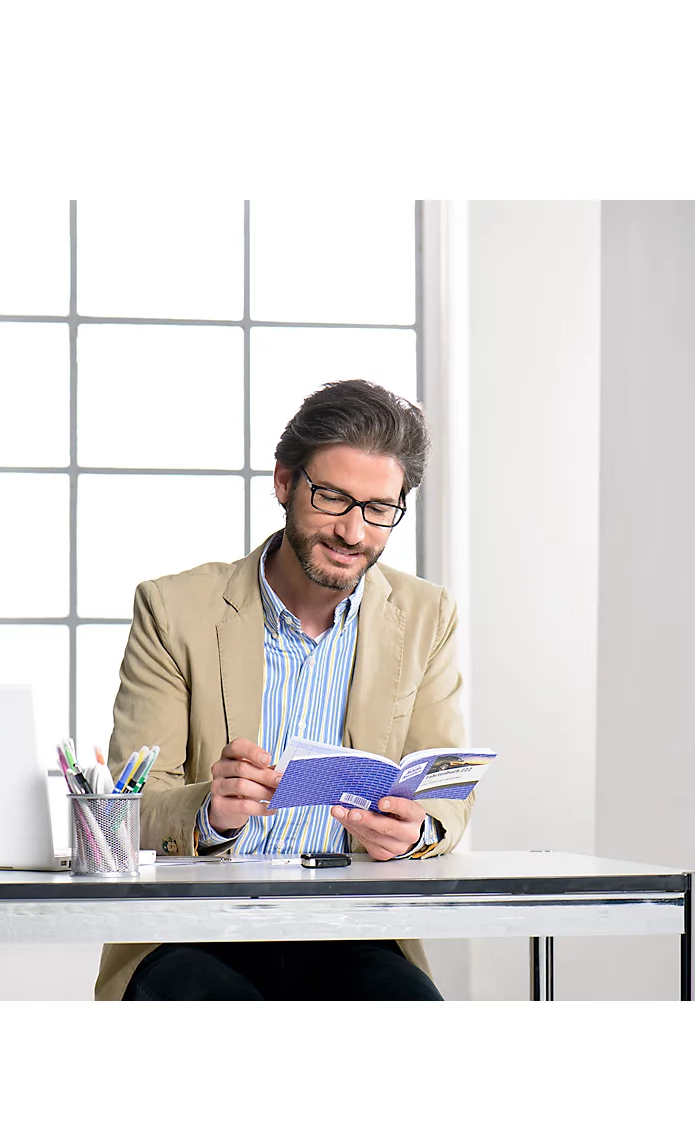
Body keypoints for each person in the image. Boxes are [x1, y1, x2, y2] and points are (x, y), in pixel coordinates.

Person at [94, 379, 473, 1000]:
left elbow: (446, 794)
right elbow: (129, 809)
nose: (354, 531)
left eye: (380, 509)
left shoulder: (427, 616)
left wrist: (419, 831)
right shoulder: (174, 609)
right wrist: (211, 813)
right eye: (333, 498)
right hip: (192, 929)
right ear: (284, 482)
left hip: (355, 929)